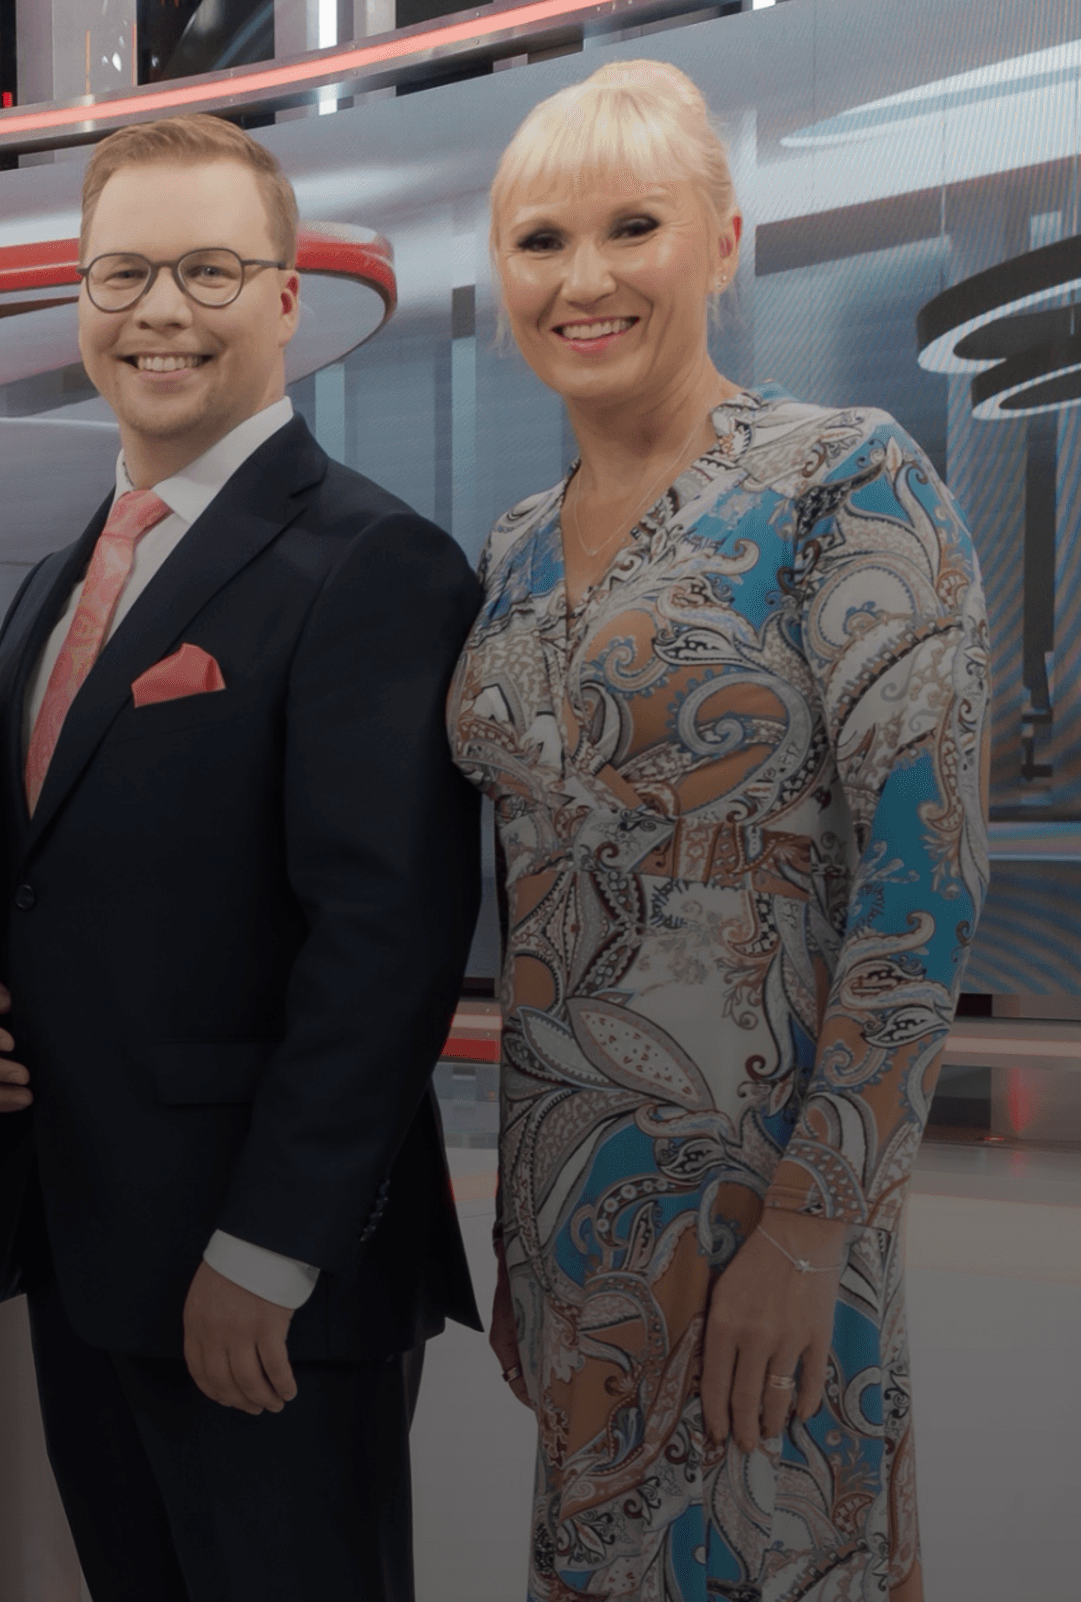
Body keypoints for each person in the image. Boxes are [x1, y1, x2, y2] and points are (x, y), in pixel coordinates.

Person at [0, 114, 483, 1602]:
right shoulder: (63, 578)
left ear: (287, 300)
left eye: (208, 271)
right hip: (87, 1245)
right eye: (121, 274)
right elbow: (46, 870)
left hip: (258, 1272)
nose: (157, 309)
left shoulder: (373, 560)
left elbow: (386, 941)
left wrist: (272, 1248)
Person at [453, 60, 986, 1601]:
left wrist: (814, 1226)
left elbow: (925, 884)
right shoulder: (509, 553)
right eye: (541, 241)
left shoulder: (845, 481)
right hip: (576, 1229)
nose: (585, 279)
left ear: (726, 241)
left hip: (775, 1220)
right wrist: (526, 1234)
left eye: (634, 226)